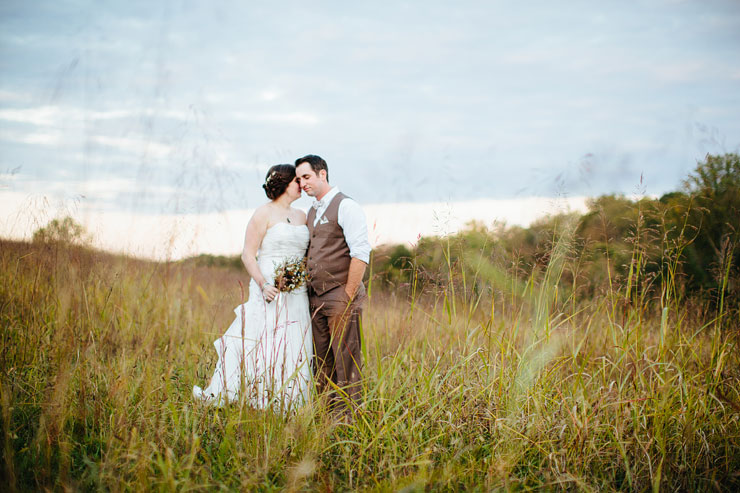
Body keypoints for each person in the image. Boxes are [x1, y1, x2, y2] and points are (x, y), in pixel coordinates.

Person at [192, 164, 312, 411]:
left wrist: (297, 277)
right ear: (285, 184)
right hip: (268, 289)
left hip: (296, 292)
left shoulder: (302, 216)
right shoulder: (262, 214)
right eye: (296, 181)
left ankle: (290, 400)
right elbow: (248, 255)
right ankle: (259, 394)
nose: (300, 184)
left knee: (293, 341)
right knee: (263, 341)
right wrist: (264, 283)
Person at [294, 154, 371, 416]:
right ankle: (326, 418)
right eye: (299, 179)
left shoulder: (346, 206)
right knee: (321, 361)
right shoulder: (311, 212)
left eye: (306, 177)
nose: (302, 183)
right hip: (315, 297)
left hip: (340, 294)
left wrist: (347, 295)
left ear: (322, 174)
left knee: (346, 361)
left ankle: (349, 420)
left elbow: (360, 253)